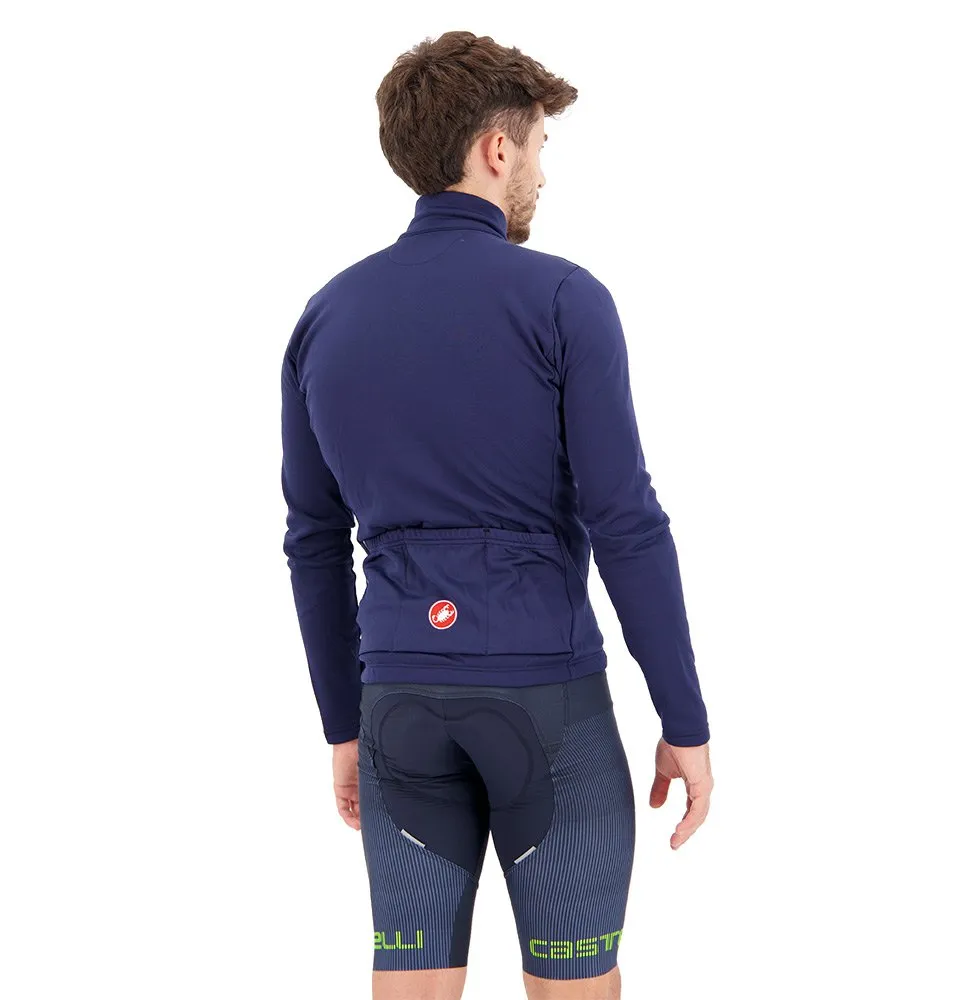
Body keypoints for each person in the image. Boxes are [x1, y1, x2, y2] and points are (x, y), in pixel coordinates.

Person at [280, 29, 713, 1000]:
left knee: (411, 979)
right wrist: (682, 717)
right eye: (539, 149)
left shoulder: (326, 316)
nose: (541, 175)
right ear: (496, 148)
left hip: (396, 706)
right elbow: (625, 520)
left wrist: (343, 724)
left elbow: (313, 541)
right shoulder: (562, 298)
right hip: (544, 701)